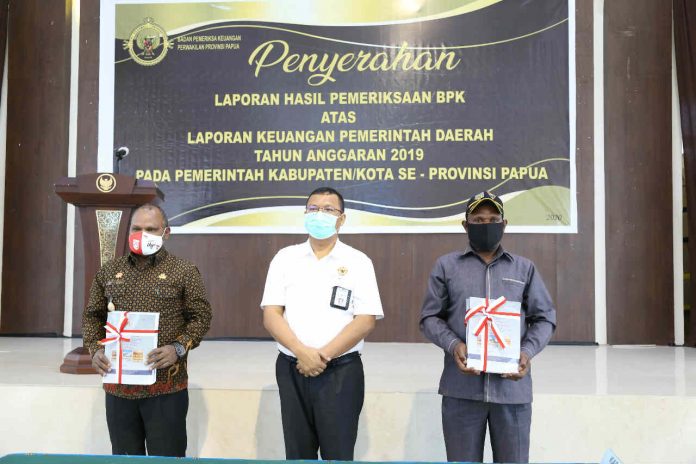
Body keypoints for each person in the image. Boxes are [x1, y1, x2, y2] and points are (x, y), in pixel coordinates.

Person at [420, 191, 556, 464]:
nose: (486, 224)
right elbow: (429, 317)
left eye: (493, 220)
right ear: (465, 225)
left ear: (504, 224)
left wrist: (526, 353)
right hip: (461, 391)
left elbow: (545, 318)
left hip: (512, 392)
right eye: (478, 220)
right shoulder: (446, 266)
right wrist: (454, 345)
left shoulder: (524, 269)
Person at [261, 187, 383, 460]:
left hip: (341, 372)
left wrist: (321, 356)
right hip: (292, 368)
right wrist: (302, 353)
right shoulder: (285, 258)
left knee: (338, 454)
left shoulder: (358, 262)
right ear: (305, 214)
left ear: (342, 219)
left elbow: (365, 320)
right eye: (313, 209)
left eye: (328, 209)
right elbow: (271, 314)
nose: (319, 214)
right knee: (297, 453)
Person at [82, 203, 212, 457]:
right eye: (136, 228)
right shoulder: (109, 271)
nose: (142, 235)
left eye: (151, 229)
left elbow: (201, 317)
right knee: (124, 458)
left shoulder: (184, 271)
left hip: (166, 388)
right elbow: (92, 316)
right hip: (118, 389)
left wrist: (177, 348)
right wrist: (95, 349)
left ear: (166, 233)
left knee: (167, 458)